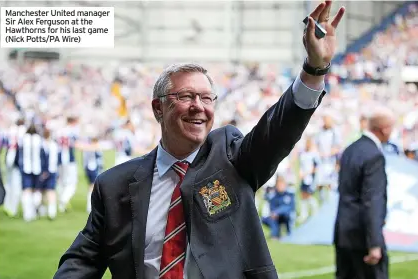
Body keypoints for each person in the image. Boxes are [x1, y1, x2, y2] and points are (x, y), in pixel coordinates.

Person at [54, 2, 345, 278]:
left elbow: (276, 131)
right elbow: (83, 259)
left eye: (207, 98)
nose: (199, 106)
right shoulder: (114, 186)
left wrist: (313, 70)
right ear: (158, 108)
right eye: (186, 96)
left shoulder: (231, 158)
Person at [334, 106, 395, 279]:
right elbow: (372, 200)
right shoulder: (374, 156)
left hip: (343, 232)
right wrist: (374, 243)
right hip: (363, 236)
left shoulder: (350, 149)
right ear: (384, 129)